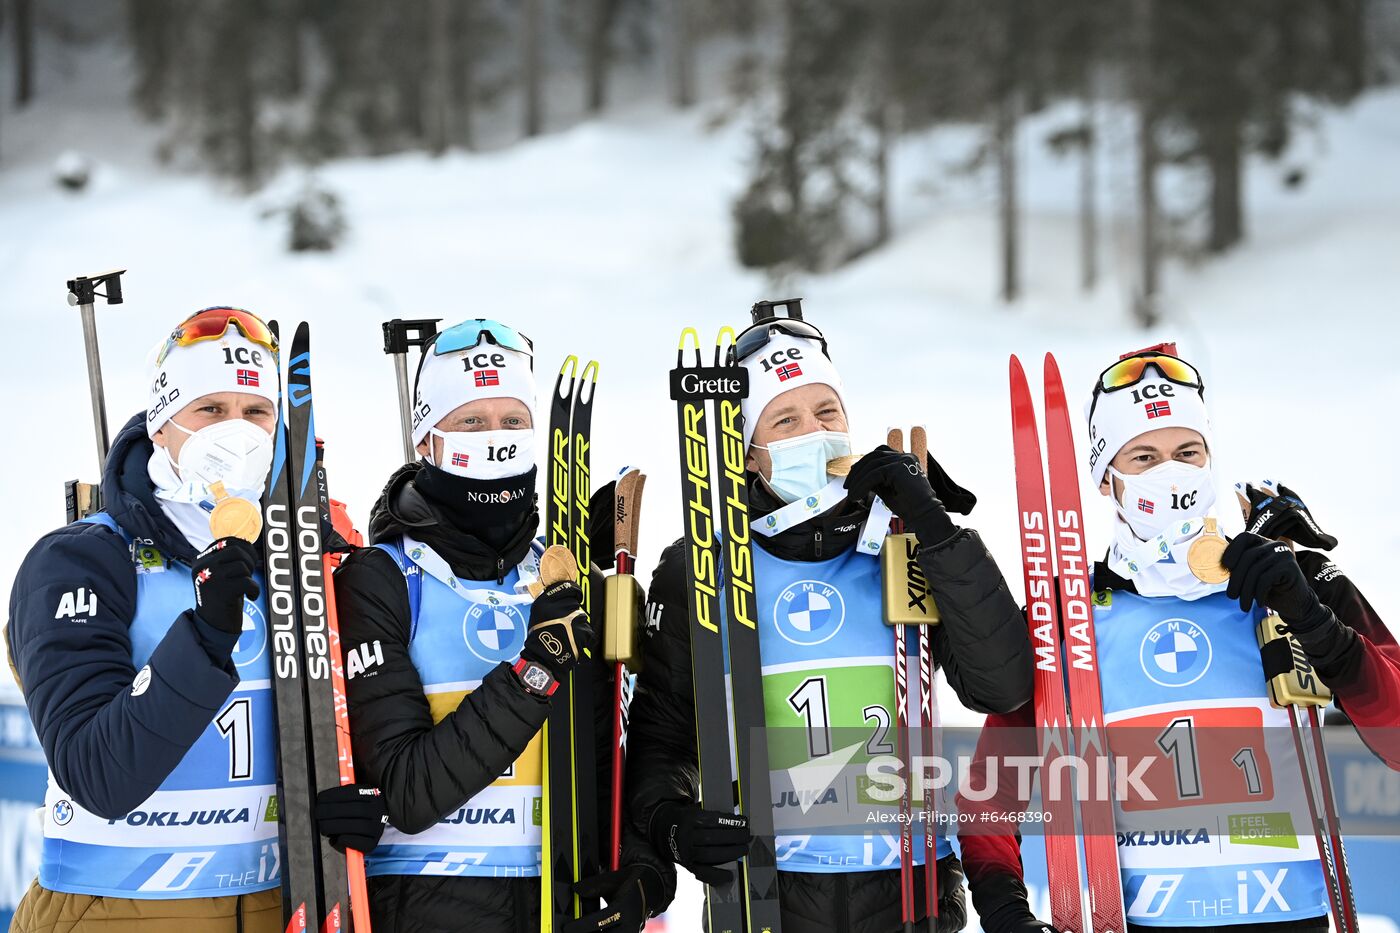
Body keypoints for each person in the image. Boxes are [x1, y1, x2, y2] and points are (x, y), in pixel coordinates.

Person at [959, 345, 1400, 933]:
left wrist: (1314, 619)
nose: (1171, 473)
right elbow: (992, 790)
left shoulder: (1290, 578)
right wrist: (1005, 910)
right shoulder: (1065, 614)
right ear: (1105, 480)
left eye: (1187, 451)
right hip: (1143, 920)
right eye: (1143, 455)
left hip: (1291, 917)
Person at [625, 306, 1036, 933]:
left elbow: (1002, 687)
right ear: (749, 451)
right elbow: (665, 740)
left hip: (911, 895)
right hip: (769, 898)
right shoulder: (701, 566)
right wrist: (675, 823)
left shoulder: (904, 542)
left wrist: (935, 529)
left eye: (827, 413)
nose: (812, 434)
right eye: (784, 420)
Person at [4, 307, 386, 933]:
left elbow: (350, 722)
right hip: (118, 909)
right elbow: (97, 774)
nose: (237, 433)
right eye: (209, 410)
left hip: (278, 904)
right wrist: (204, 636)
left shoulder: (310, 553)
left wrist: (369, 802)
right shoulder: (81, 561)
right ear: (161, 425)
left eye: (257, 413)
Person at [332, 318, 672, 933]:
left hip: (561, 906)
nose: (496, 441)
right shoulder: (378, 578)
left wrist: (645, 876)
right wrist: (535, 669)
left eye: (513, 421)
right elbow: (405, 790)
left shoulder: (572, 580)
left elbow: (623, 762)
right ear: (425, 441)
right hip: (426, 911)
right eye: (471, 421)